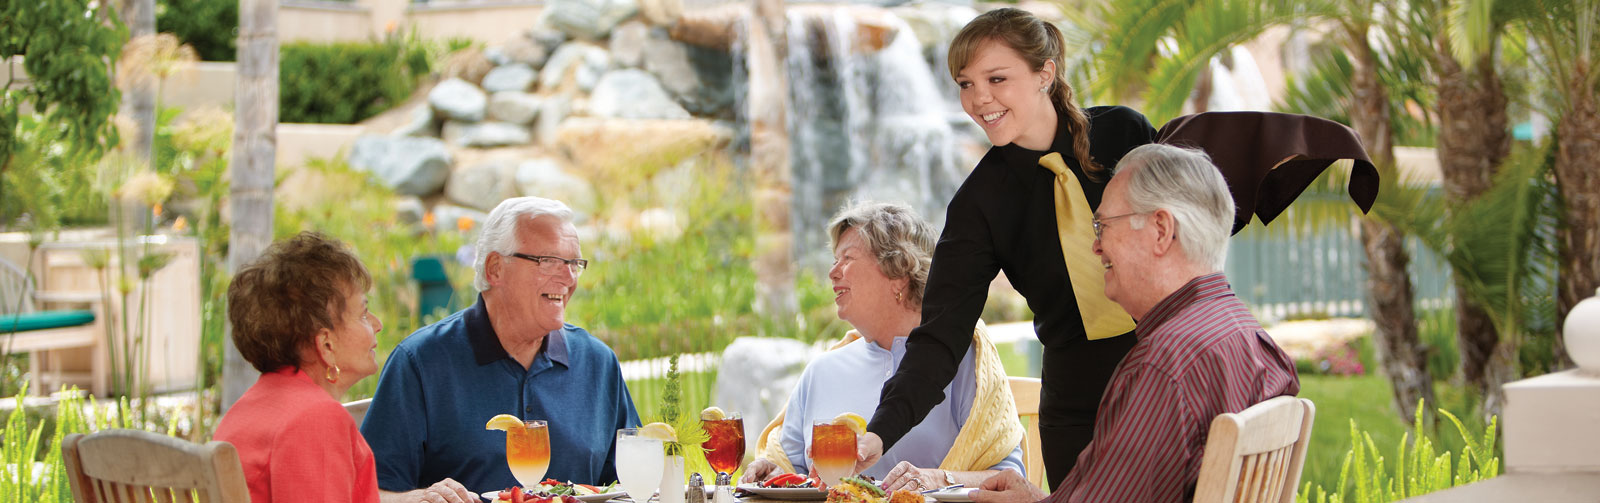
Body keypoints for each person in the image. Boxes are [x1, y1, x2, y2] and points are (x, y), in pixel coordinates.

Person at [857, 7, 1157, 489]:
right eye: (965, 84)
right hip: (1079, 410)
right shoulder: (980, 203)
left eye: (996, 78)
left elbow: (1189, 232)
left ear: (1045, 73)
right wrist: (879, 433)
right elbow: (940, 337)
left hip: (1166, 375)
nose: (979, 100)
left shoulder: (1125, 134)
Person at [973, 144, 1299, 502]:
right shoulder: (1244, 332)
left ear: (1160, 229)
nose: (1095, 247)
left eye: (1101, 225)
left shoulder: (1164, 364)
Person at [362, 197, 641, 503]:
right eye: (548, 261)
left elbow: (633, 483)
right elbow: (369, 492)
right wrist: (418, 498)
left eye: (574, 263)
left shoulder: (598, 363)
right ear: (495, 269)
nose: (568, 277)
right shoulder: (421, 363)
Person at [741, 202, 1025, 491]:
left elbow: (1011, 481)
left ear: (899, 271)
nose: (833, 272)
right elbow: (792, 472)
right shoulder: (821, 370)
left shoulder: (965, 361)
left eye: (847, 258)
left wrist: (937, 480)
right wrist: (775, 474)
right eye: (834, 260)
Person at [213, 232, 383, 503]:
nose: (377, 324)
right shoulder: (316, 419)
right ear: (326, 345)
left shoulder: (249, 408)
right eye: (363, 313)